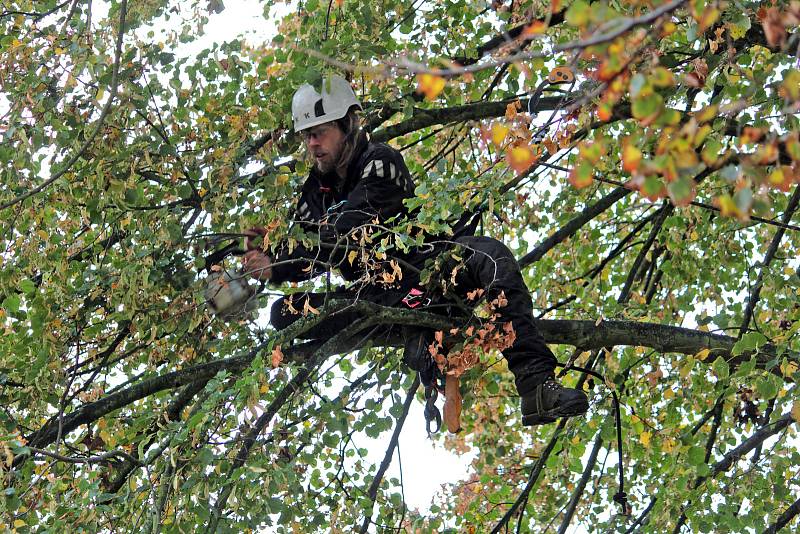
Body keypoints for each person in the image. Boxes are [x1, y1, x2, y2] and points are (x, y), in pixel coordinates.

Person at [243, 75, 588, 426]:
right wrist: (270, 260)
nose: (313, 144)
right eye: (307, 135)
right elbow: (307, 253)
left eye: (321, 132)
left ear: (348, 125)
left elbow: (349, 228)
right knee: (283, 313)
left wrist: (287, 253)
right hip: (373, 299)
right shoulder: (313, 194)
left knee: (491, 258)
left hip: (427, 274)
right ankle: (408, 329)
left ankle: (535, 386)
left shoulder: (380, 161)